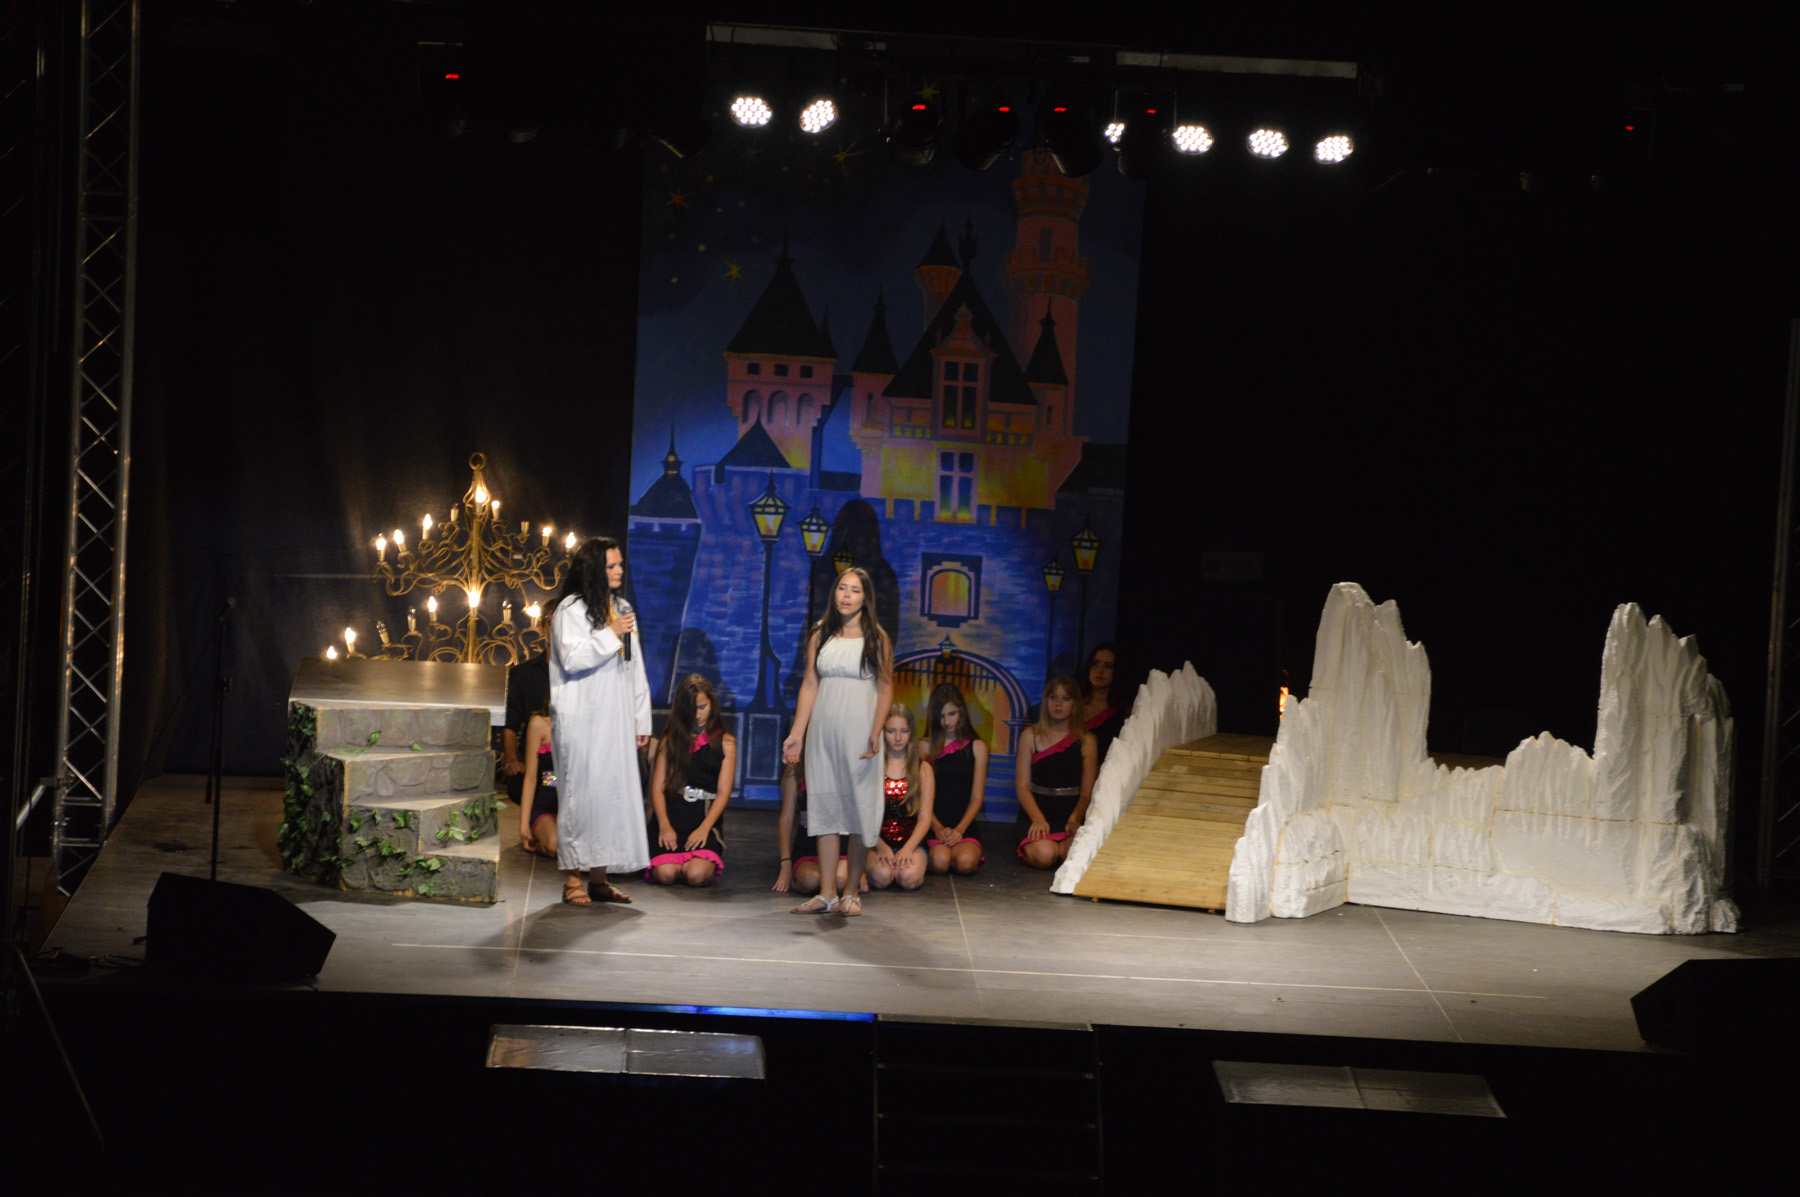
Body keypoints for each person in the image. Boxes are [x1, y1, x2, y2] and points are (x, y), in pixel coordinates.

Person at [781, 566, 893, 917]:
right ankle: (827, 893)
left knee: (859, 812)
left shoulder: (876, 638)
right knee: (826, 810)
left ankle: (851, 892)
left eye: (855, 590)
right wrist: (797, 733)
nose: (846, 595)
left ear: (865, 598)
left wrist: (876, 731)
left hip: (860, 736)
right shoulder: (820, 633)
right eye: (842, 588)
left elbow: (886, 688)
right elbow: (810, 684)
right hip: (823, 735)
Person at [548, 536, 651, 905]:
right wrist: (611, 633)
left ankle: (599, 879)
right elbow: (572, 659)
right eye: (611, 566)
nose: (619, 570)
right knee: (580, 797)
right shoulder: (569, 610)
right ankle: (572, 881)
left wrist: (641, 718)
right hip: (581, 720)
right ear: (594, 570)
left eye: (620, 564)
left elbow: (634, 665)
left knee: (609, 796)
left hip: (615, 719)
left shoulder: (621, 607)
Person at [647, 674, 736, 887]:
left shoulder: (725, 742)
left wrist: (705, 828)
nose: (698, 715)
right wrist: (664, 825)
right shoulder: (670, 740)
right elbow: (657, 788)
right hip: (672, 814)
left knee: (696, 875)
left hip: (703, 816)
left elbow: (723, 792)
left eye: (703, 707)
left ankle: (699, 855)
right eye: (692, 709)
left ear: (712, 704)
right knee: (666, 874)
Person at [1014, 675, 1098, 870]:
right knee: (1045, 855)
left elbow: (1087, 792)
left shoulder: (1087, 741)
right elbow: (1022, 786)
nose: (1058, 704)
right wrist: (1037, 819)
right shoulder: (1030, 736)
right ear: (1045, 701)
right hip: (1037, 809)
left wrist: (1075, 818)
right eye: (1053, 698)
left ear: (1075, 704)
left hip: (1070, 812)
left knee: (1070, 855)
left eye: (1065, 698)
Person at [865, 703, 933, 891]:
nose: (897, 738)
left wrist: (908, 848)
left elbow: (925, 817)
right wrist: (880, 846)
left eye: (903, 731)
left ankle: (914, 865)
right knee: (882, 877)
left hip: (912, 843)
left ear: (911, 733)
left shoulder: (923, 769)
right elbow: (864, 814)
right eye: (891, 731)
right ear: (882, 732)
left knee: (908, 877)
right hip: (876, 842)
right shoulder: (873, 766)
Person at [924, 683, 988, 877]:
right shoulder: (924, 747)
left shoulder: (978, 747)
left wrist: (960, 830)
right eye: (941, 716)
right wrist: (937, 828)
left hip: (964, 825)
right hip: (932, 823)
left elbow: (977, 798)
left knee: (964, 863)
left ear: (961, 712)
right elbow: (919, 796)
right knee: (940, 862)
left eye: (951, 714)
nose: (947, 721)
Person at [500, 616, 551, 811]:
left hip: (564, 768)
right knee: (525, 783)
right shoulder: (524, 673)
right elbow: (510, 723)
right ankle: (536, 821)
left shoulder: (581, 673)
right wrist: (512, 760)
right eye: (552, 624)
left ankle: (543, 820)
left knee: (552, 785)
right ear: (542, 628)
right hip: (533, 764)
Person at [516, 705, 559, 858]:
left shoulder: (585, 723)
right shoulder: (539, 724)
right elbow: (531, 777)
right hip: (546, 804)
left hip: (576, 806)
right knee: (554, 844)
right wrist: (523, 826)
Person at [1079, 642, 1129, 764]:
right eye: (1095, 664)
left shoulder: (1123, 715)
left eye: (1108, 666)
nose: (1100, 671)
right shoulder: (1071, 705)